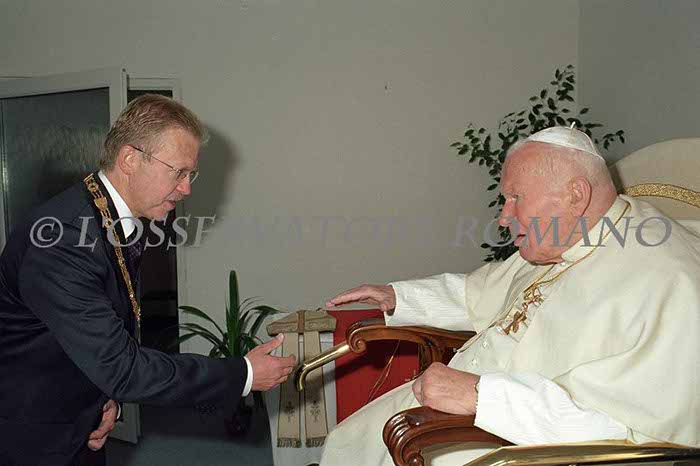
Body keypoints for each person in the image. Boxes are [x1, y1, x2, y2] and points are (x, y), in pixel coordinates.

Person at [320, 126, 700, 466]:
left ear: (576, 194)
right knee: (349, 439)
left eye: (516, 197)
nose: (503, 217)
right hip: (459, 404)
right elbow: (477, 292)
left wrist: (481, 396)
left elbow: (631, 434)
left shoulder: (668, 282)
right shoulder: (566, 238)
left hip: (526, 442)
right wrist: (397, 296)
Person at [0, 94, 295, 466]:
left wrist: (105, 399)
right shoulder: (63, 240)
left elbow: (96, 335)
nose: (186, 189)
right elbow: (123, 368)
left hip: (80, 416)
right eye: (178, 172)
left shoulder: (110, 217)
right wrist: (244, 374)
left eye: (190, 174)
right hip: (32, 435)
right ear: (129, 159)